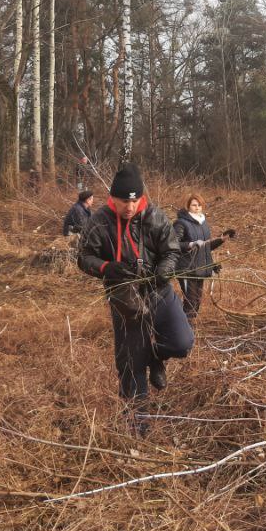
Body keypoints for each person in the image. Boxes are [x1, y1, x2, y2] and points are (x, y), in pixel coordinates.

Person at [78, 164, 194, 417]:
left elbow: (172, 251)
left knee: (182, 343)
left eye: (134, 201)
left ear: (141, 198)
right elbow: (84, 258)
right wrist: (108, 267)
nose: (129, 207)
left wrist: (165, 268)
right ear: (113, 198)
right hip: (125, 299)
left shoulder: (156, 217)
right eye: (123, 201)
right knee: (132, 366)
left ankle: (156, 356)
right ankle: (136, 427)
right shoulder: (99, 221)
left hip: (159, 292)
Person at [172, 194, 235, 323]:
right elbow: (172, 244)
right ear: (188, 206)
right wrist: (190, 244)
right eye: (194, 205)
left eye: (199, 205)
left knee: (196, 302)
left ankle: (187, 330)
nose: (197, 208)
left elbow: (206, 247)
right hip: (187, 269)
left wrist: (221, 240)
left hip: (200, 268)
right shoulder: (180, 223)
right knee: (190, 302)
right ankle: (185, 331)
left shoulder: (203, 223)